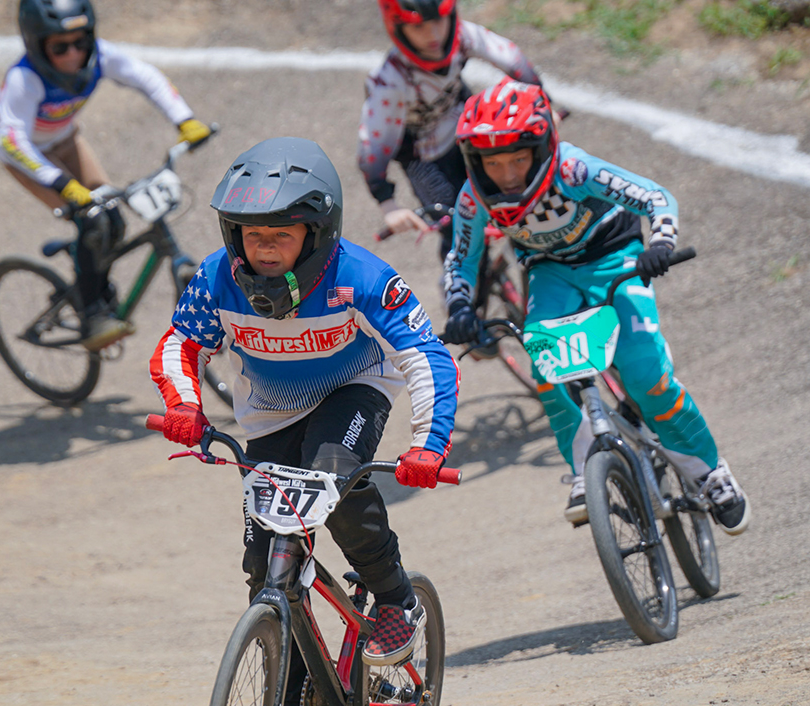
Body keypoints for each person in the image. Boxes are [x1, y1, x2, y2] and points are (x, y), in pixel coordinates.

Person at [149, 137, 459, 689]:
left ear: (316, 234)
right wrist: (185, 405)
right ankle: (289, 681)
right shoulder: (218, 276)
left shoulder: (361, 278)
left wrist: (427, 445)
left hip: (353, 390)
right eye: (253, 234)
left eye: (281, 236)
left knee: (330, 471)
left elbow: (426, 357)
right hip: (269, 416)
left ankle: (394, 597)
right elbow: (181, 343)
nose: (264, 249)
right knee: (265, 567)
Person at [441, 77, 750, 535]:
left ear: (542, 147)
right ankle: (585, 470)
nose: (507, 175)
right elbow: (461, 261)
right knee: (548, 371)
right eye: (494, 162)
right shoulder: (472, 199)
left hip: (616, 260)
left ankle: (711, 473)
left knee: (647, 376)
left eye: (519, 159)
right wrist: (461, 308)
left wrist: (661, 242)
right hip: (549, 272)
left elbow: (656, 197)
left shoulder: (574, 170)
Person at [0, 0, 211, 352]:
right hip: (27, 159)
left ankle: (91, 282)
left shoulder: (101, 57)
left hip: (65, 141)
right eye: (60, 47)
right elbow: (9, 141)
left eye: (81, 42)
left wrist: (184, 119)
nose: (74, 54)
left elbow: (145, 77)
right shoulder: (24, 79)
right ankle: (93, 314)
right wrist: (61, 183)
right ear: (37, 44)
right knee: (92, 220)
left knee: (115, 219)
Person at [358, 0, 542, 263]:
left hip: (470, 130)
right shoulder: (389, 82)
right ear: (397, 28)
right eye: (419, 26)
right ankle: (458, 292)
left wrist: (542, 104)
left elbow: (513, 60)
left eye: (438, 21)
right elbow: (372, 148)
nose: (433, 35)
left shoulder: (462, 37)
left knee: (518, 191)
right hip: (424, 157)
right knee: (460, 230)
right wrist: (388, 204)